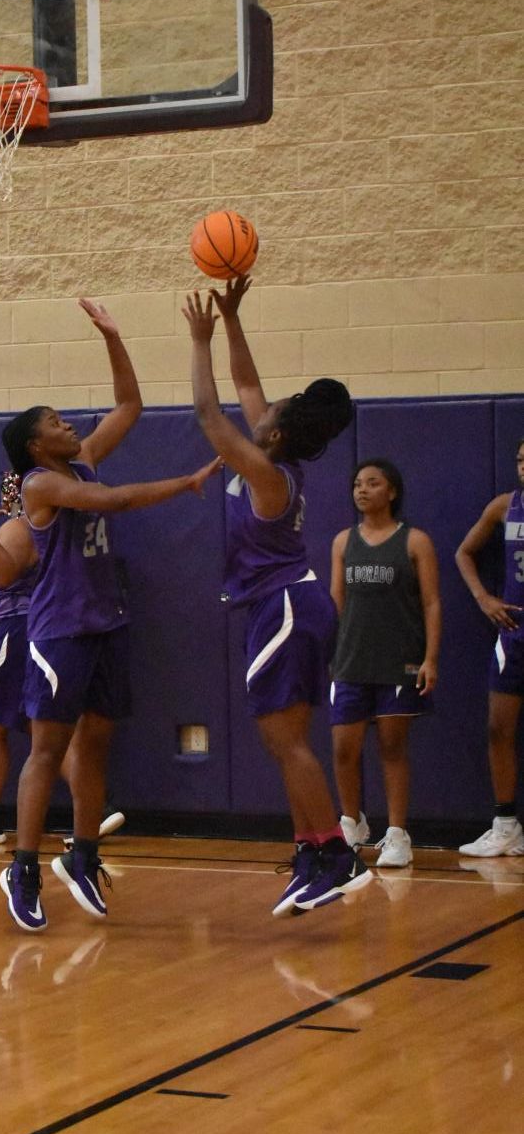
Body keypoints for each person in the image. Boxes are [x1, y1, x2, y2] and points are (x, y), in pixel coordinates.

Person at [0, 298, 221, 933]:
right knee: (47, 750)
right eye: (56, 423)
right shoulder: (43, 485)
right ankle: (23, 867)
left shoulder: (81, 459)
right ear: (35, 445)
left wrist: (114, 338)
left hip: (105, 625)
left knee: (95, 748)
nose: (69, 426)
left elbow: (130, 406)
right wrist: (183, 484)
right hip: (60, 630)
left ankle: (84, 854)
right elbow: (116, 500)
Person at [183, 276, 371, 916]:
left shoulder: (265, 471)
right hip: (284, 606)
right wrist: (234, 319)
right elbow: (244, 386)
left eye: (274, 408)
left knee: (288, 742)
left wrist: (199, 340)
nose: (263, 407)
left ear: (279, 432)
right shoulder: (273, 457)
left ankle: (338, 857)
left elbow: (211, 414)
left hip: (285, 607)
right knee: (282, 741)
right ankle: (311, 852)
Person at [0, 484, 126, 846]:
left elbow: (3, 578)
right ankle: (96, 810)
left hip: (8, 630)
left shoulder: (21, 526)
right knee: (42, 731)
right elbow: (10, 572)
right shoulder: (52, 527)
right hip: (34, 628)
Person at [329, 458, 441, 869]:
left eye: (372, 483)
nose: (362, 490)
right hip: (351, 660)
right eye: (357, 484)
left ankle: (397, 835)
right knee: (343, 748)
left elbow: (431, 602)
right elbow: (335, 602)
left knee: (392, 747)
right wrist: (328, 652)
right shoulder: (343, 541)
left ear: (391, 491)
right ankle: (351, 824)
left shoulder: (415, 542)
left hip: (399, 660)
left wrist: (430, 658)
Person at [455, 436, 524, 858]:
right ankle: (505, 825)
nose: (523, 466)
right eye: (519, 458)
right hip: (515, 630)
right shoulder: (505, 506)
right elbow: (464, 552)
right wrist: (484, 597)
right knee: (499, 729)